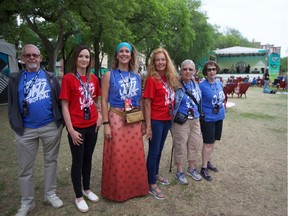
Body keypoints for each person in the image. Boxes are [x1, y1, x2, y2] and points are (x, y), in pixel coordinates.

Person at [8, 44, 64, 216]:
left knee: (51, 162)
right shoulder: (15, 78)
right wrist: (15, 124)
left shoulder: (51, 77)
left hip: (50, 127)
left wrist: (59, 122)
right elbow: (11, 104)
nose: (32, 58)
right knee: (25, 168)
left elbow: (59, 100)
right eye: (28, 55)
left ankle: (50, 194)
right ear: (22, 58)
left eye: (35, 55)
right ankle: (27, 202)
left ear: (40, 58)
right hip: (25, 130)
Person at [101, 42, 148, 202]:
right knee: (118, 156)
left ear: (131, 55)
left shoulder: (136, 76)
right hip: (115, 117)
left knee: (134, 155)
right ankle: (118, 192)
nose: (124, 54)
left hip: (133, 118)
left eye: (127, 51)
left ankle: (136, 189)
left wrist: (142, 121)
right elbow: (104, 100)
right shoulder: (109, 75)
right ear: (116, 55)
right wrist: (106, 124)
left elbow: (140, 100)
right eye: (120, 51)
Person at [59, 45, 102, 212]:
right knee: (77, 161)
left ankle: (87, 188)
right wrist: (70, 130)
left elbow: (96, 102)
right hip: (76, 127)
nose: (84, 59)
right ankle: (78, 196)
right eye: (81, 56)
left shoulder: (93, 79)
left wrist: (99, 116)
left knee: (88, 159)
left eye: (87, 57)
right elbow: (64, 106)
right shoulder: (68, 79)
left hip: (92, 126)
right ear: (75, 58)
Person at [143, 47, 178, 200]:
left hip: (167, 119)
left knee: (160, 149)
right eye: (157, 60)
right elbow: (147, 104)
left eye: (163, 59)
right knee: (153, 152)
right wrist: (148, 126)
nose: (160, 62)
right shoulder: (152, 79)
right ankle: (151, 184)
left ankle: (155, 174)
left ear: (167, 61)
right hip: (156, 121)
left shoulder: (169, 78)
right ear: (153, 62)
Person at [171, 60, 202, 185]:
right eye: (185, 69)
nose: (188, 71)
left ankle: (191, 168)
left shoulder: (196, 84)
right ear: (181, 71)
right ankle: (179, 171)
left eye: (190, 69)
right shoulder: (175, 84)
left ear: (194, 71)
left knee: (194, 144)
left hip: (195, 119)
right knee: (180, 146)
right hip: (181, 120)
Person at [199, 61, 225, 181]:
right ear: (205, 71)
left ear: (216, 70)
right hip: (208, 118)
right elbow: (197, 101)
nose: (211, 71)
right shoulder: (202, 85)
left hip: (219, 116)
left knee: (213, 141)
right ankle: (204, 167)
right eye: (209, 69)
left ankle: (208, 161)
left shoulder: (219, 82)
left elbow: (222, 97)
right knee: (208, 143)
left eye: (213, 69)